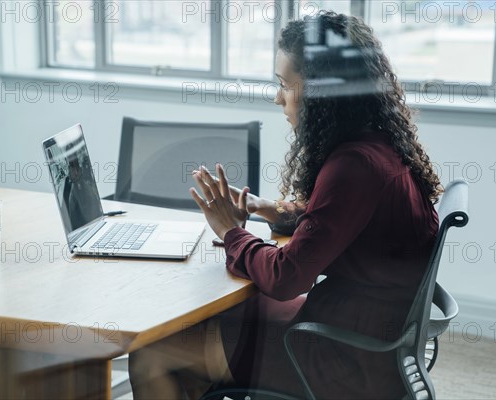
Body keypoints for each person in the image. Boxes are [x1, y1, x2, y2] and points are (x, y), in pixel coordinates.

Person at [129, 11, 442, 399]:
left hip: (342, 359)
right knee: (204, 328)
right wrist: (267, 208)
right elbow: (338, 222)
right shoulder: (379, 145)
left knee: (150, 354)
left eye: (284, 85)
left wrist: (231, 232)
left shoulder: (353, 166)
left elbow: (286, 279)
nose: (278, 98)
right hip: (369, 336)